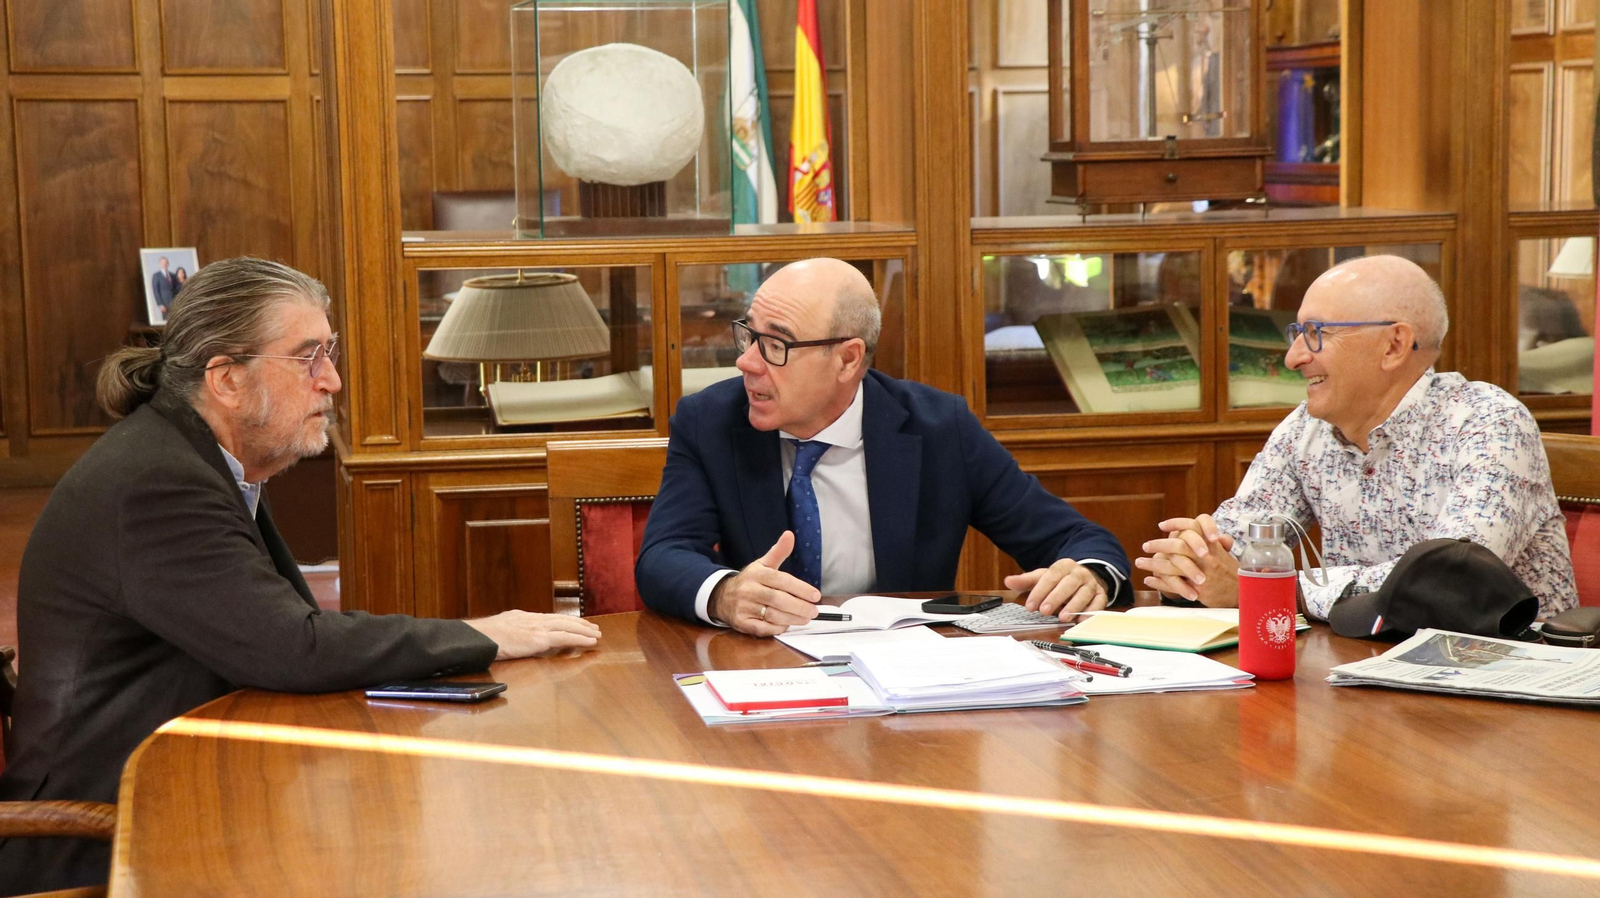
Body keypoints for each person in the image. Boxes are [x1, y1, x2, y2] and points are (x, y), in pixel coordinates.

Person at [0, 257, 602, 895]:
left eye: (329, 353)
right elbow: (294, 647)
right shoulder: (158, 482)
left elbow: (286, 637)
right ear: (227, 379)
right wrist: (484, 633)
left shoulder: (197, 459)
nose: (333, 381)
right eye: (309, 356)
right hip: (101, 832)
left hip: (197, 782)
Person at [635, 257, 1130, 636]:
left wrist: (1089, 576)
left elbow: (1077, 539)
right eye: (748, 336)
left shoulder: (939, 428)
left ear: (848, 359)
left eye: (775, 345)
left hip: (908, 677)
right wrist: (725, 593)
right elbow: (663, 556)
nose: (747, 363)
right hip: (764, 670)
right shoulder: (711, 421)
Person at [1133, 255, 1577, 622]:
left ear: (1394, 345)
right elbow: (1240, 546)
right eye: (1297, 334)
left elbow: (1449, 582)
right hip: (1361, 674)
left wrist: (1269, 590)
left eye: (1316, 334)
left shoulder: (1488, 422)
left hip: (1505, 685)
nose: (1293, 357)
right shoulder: (1305, 430)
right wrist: (1193, 560)